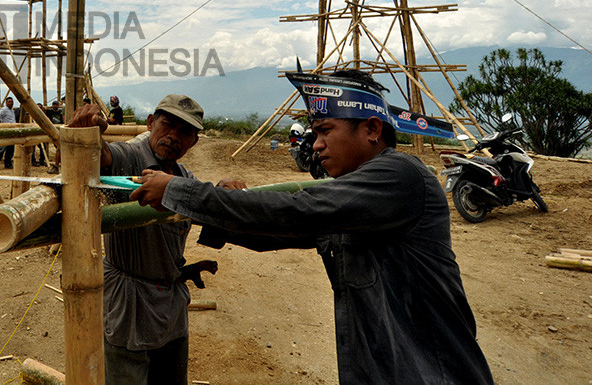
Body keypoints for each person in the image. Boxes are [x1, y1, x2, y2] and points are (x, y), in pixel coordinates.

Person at [131, 70, 494, 384]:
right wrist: (212, 207)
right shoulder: (354, 199)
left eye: (324, 130)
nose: (316, 144)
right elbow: (276, 232)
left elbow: (297, 211)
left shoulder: (400, 175)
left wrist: (182, 192)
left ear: (371, 128)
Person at [69, 94, 216, 385]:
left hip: (171, 305)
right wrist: (87, 135)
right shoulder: (133, 158)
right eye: (167, 125)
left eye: (185, 132)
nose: (174, 137)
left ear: (194, 142)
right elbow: (106, 155)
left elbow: (209, 204)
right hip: (130, 304)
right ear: (150, 123)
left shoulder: (183, 175)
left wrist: (225, 192)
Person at [0, 97, 17, 169]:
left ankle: (8, 164)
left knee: (10, 149)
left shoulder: (12, 110)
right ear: (6, 102)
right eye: (9, 101)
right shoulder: (4, 109)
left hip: (12, 131)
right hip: (6, 131)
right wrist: (0, 125)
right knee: (2, 148)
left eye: (12, 101)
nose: (11, 103)